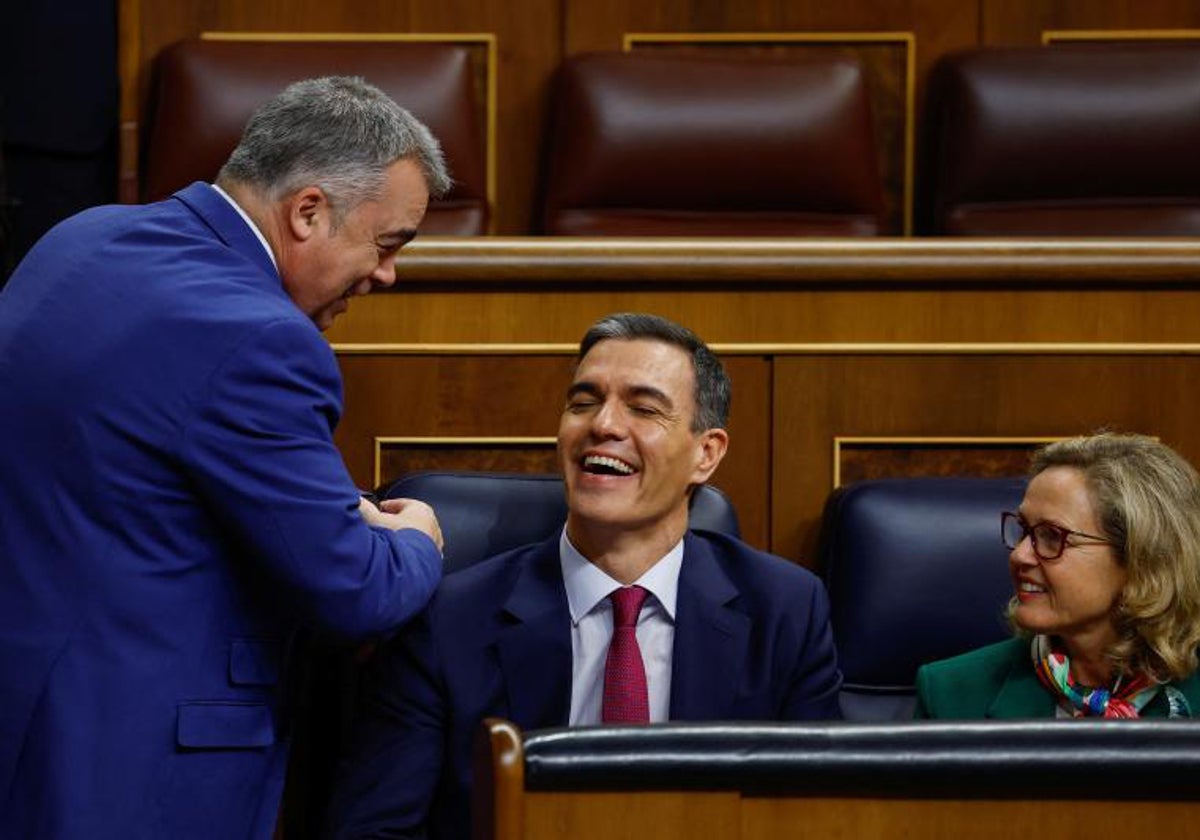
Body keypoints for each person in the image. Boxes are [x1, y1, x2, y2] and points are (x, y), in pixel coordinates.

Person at [0, 76, 451, 839]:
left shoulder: (82, 237)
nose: (387, 275)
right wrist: (417, 541)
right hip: (134, 772)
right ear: (307, 211)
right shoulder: (259, 339)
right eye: (386, 244)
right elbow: (357, 591)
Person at [326, 312, 843, 840]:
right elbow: (374, 831)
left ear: (705, 454)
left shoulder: (785, 612)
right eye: (583, 401)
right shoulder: (448, 620)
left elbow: (822, 820)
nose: (604, 425)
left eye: (643, 408)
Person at [916, 433, 1200, 719]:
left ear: (1141, 557)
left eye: (1052, 536)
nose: (1019, 555)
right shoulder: (951, 693)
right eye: (1024, 530)